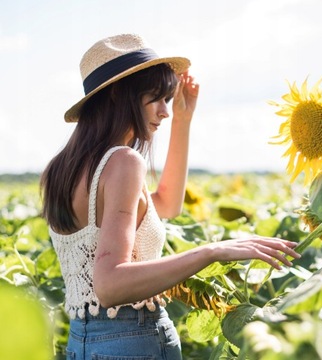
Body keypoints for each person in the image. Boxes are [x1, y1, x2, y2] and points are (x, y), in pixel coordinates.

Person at [41, 34, 301, 359]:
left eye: (168, 99)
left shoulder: (58, 170)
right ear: (118, 95)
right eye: (156, 98)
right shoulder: (123, 161)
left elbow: (166, 204)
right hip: (133, 338)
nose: (164, 111)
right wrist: (211, 251)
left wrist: (183, 120)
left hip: (83, 342)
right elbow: (110, 285)